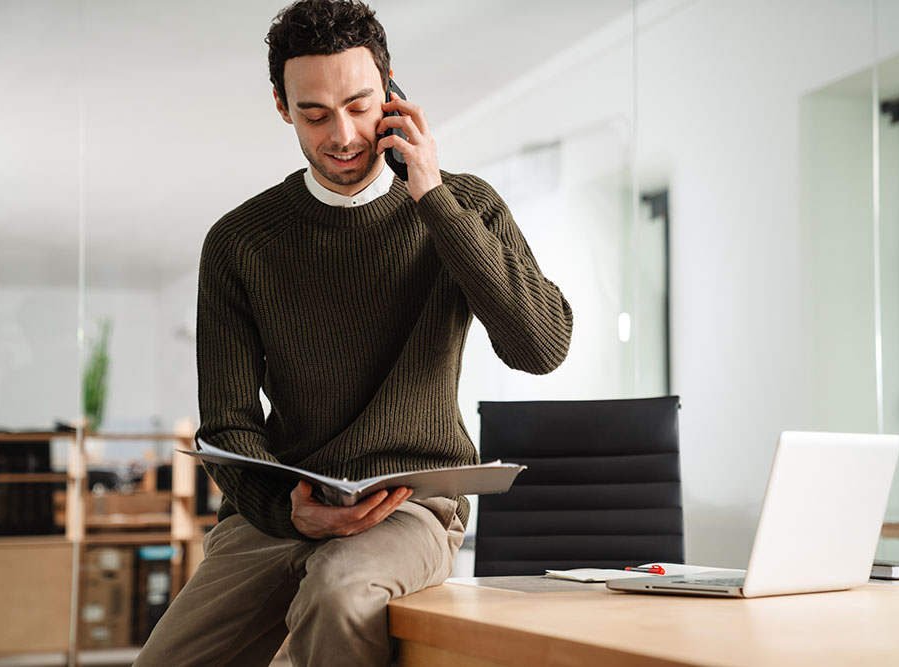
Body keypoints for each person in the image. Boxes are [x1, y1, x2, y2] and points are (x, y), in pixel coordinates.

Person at [134, 1, 572, 665]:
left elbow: (541, 348)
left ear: (392, 91)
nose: (341, 134)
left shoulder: (465, 206)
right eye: (313, 113)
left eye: (360, 105)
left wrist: (431, 196)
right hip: (285, 507)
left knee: (339, 593)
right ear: (282, 106)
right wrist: (290, 511)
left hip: (412, 508)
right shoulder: (239, 243)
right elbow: (227, 425)